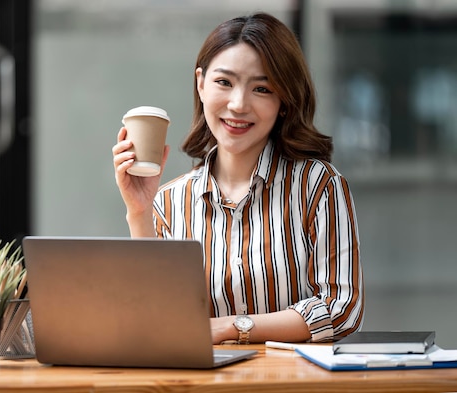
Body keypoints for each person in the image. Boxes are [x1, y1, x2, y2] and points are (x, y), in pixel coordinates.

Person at [111, 12, 363, 344]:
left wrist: (232, 327)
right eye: (224, 82)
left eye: (261, 88)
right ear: (201, 84)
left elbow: (340, 308)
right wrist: (139, 212)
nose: (238, 104)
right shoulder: (171, 202)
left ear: (283, 101)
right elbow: (156, 318)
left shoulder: (319, 187)